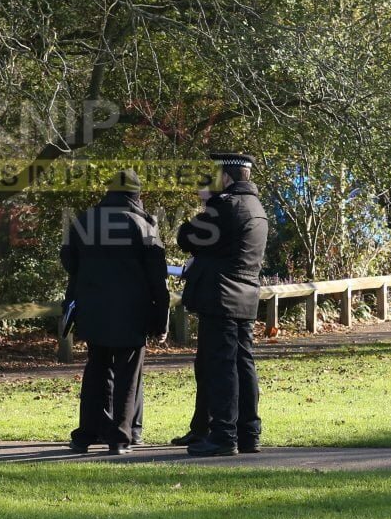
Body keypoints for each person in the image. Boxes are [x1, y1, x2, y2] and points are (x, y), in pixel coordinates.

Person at [61, 169, 170, 454]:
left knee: (96, 370)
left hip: (93, 307)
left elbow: (69, 262)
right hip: (132, 311)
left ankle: (86, 433)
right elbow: (157, 277)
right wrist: (162, 319)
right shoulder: (144, 226)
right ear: (136, 194)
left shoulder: (84, 221)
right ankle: (121, 437)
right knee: (128, 374)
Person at [173, 152, 269, 457]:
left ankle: (224, 435)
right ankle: (248, 432)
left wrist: (207, 203)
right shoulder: (256, 206)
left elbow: (187, 238)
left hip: (221, 296)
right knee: (243, 364)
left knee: (221, 366)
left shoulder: (226, 206)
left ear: (226, 177)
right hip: (245, 294)